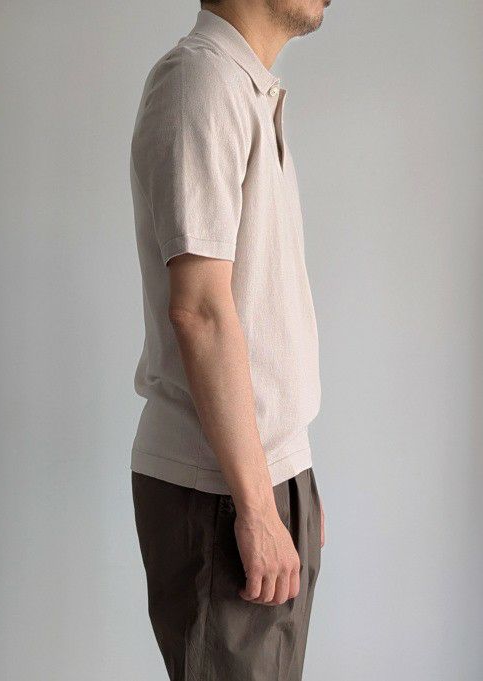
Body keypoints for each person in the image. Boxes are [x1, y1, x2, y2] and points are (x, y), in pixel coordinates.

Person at [129, 1, 329, 678]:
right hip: (222, 488)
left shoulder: (243, 88)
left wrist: (294, 482)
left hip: (260, 478)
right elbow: (201, 311)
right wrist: (258, 507)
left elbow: (253, 311)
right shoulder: (201, 81)